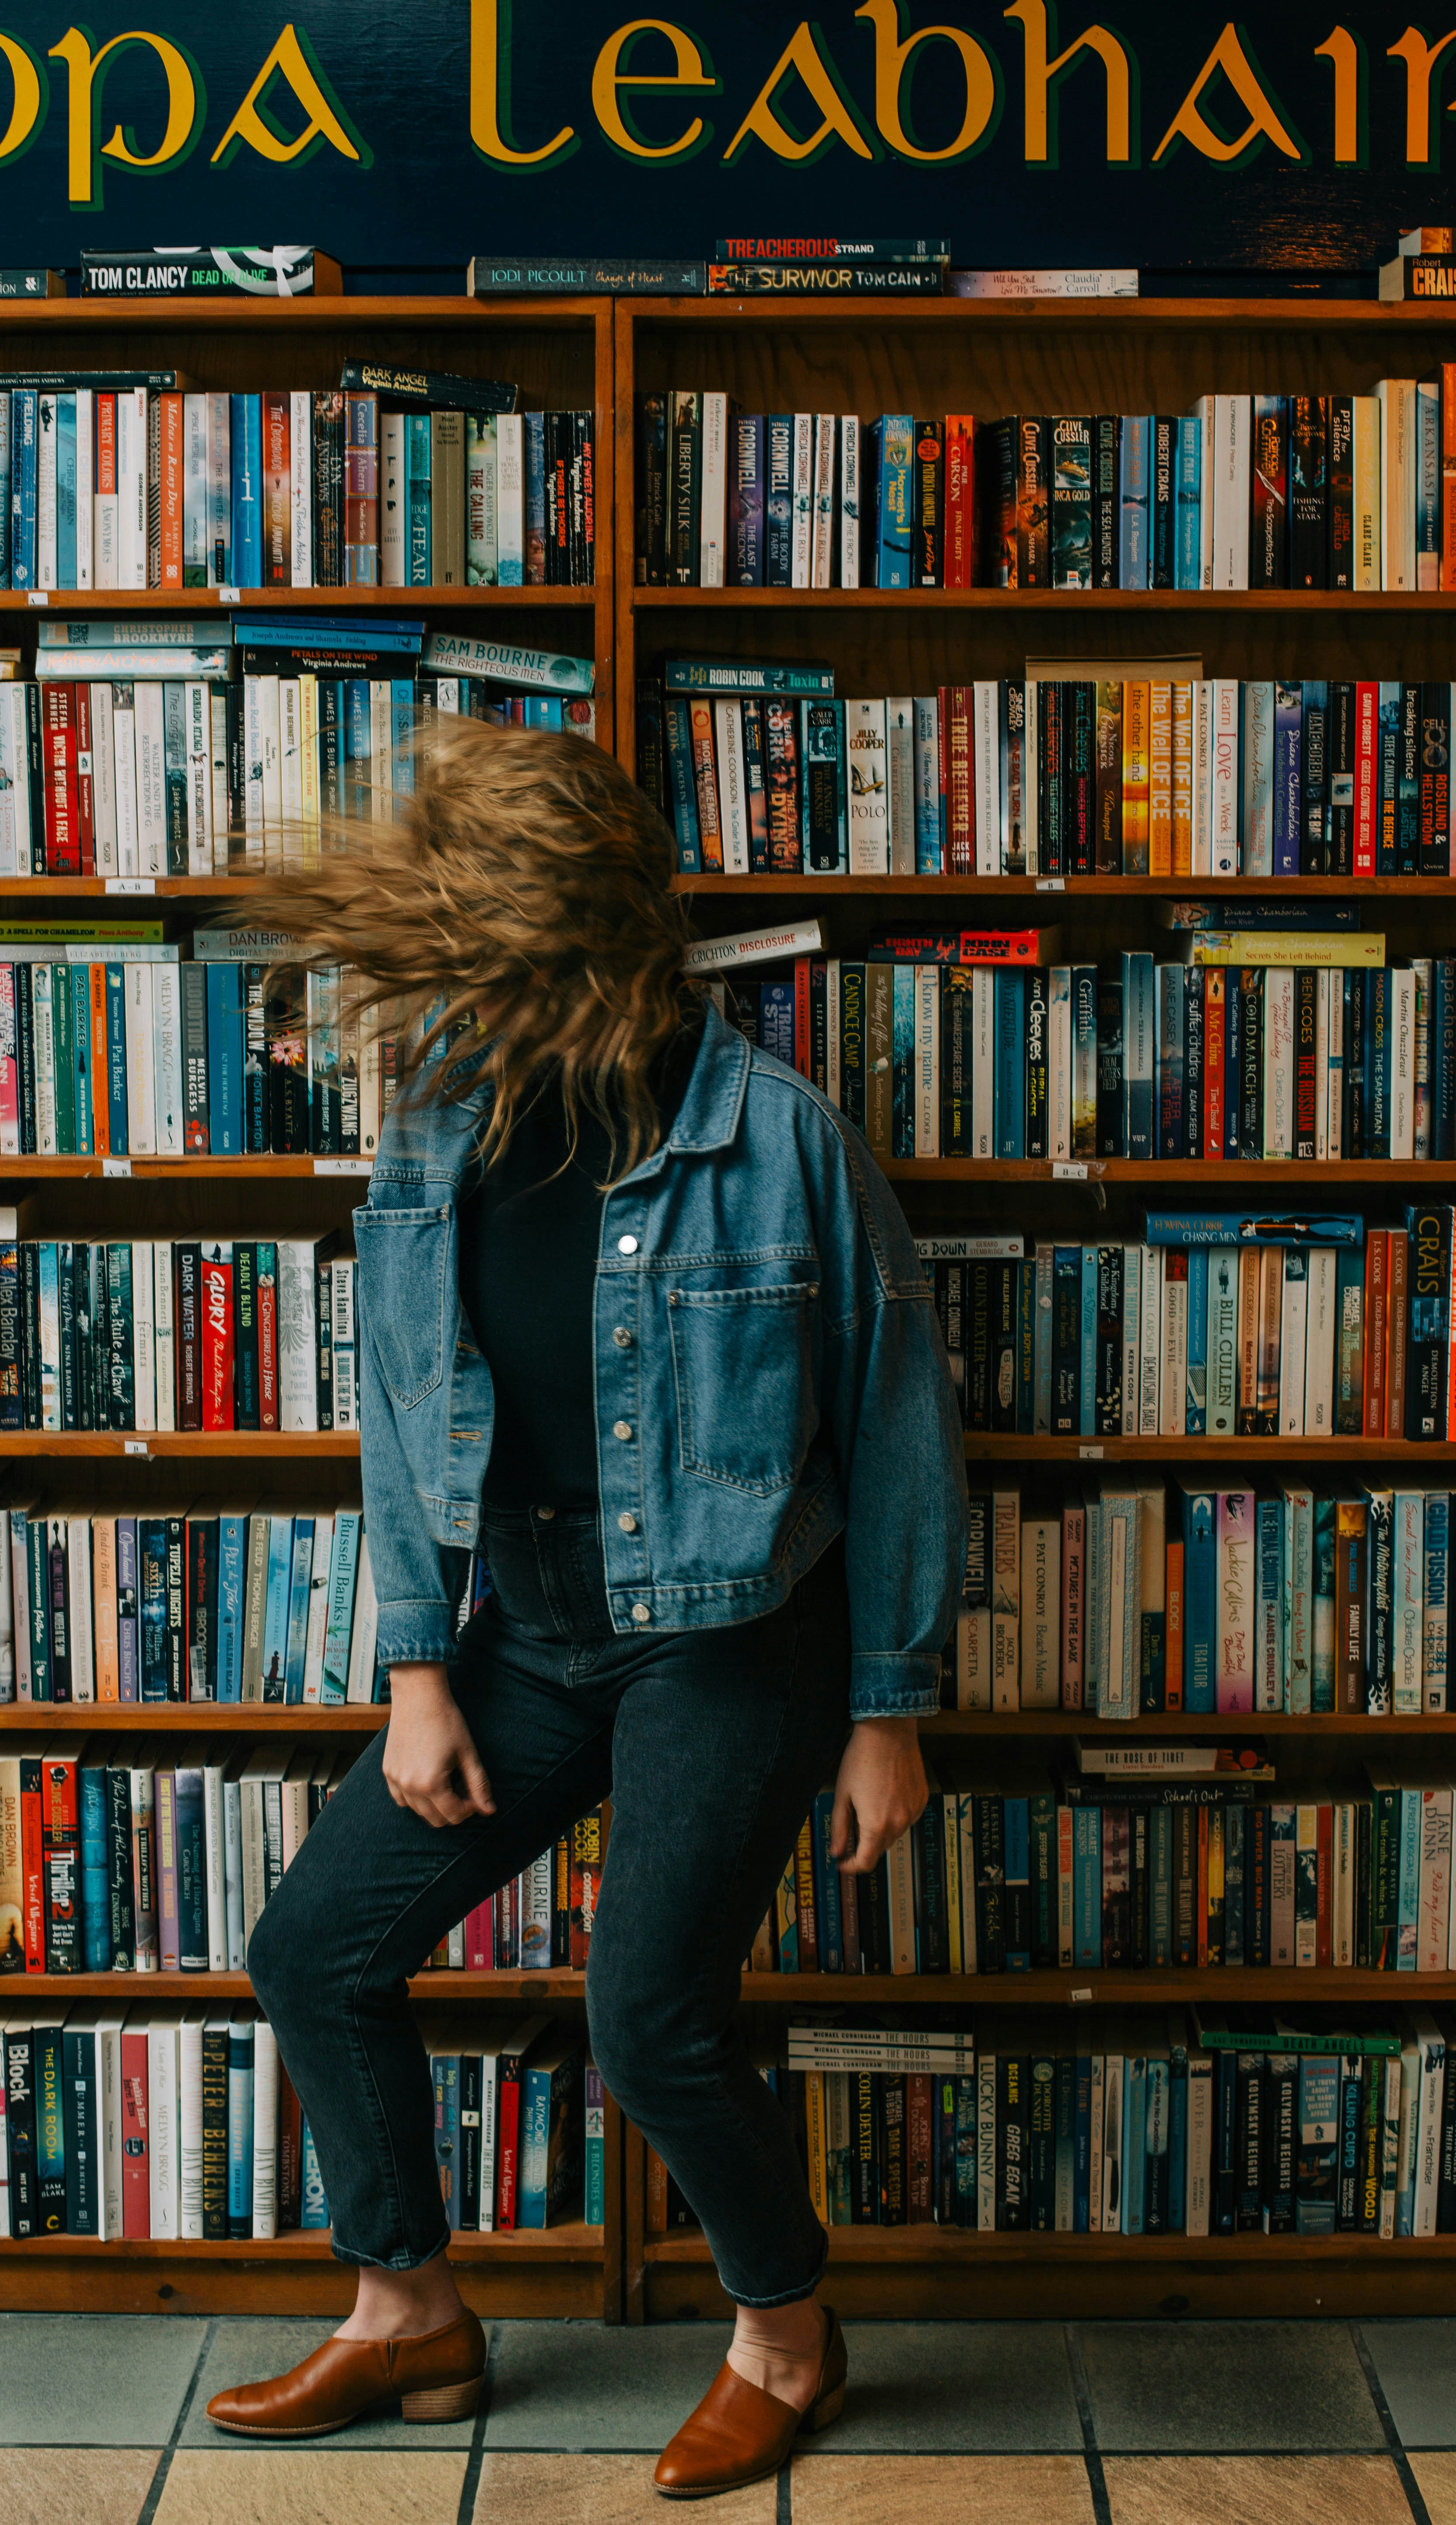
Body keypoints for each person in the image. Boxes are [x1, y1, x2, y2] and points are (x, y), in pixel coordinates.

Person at [206, 717, 966, 2498]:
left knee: (649, 2026)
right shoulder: (438, 1129)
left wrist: (888, 1706)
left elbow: (898, 1420)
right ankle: (410, 2313)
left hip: (730, 1638)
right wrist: (415, 1670)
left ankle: (785, 2332)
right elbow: (399, 1415)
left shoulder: (777, 1137)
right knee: (317, 1951)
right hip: (525, 1627)